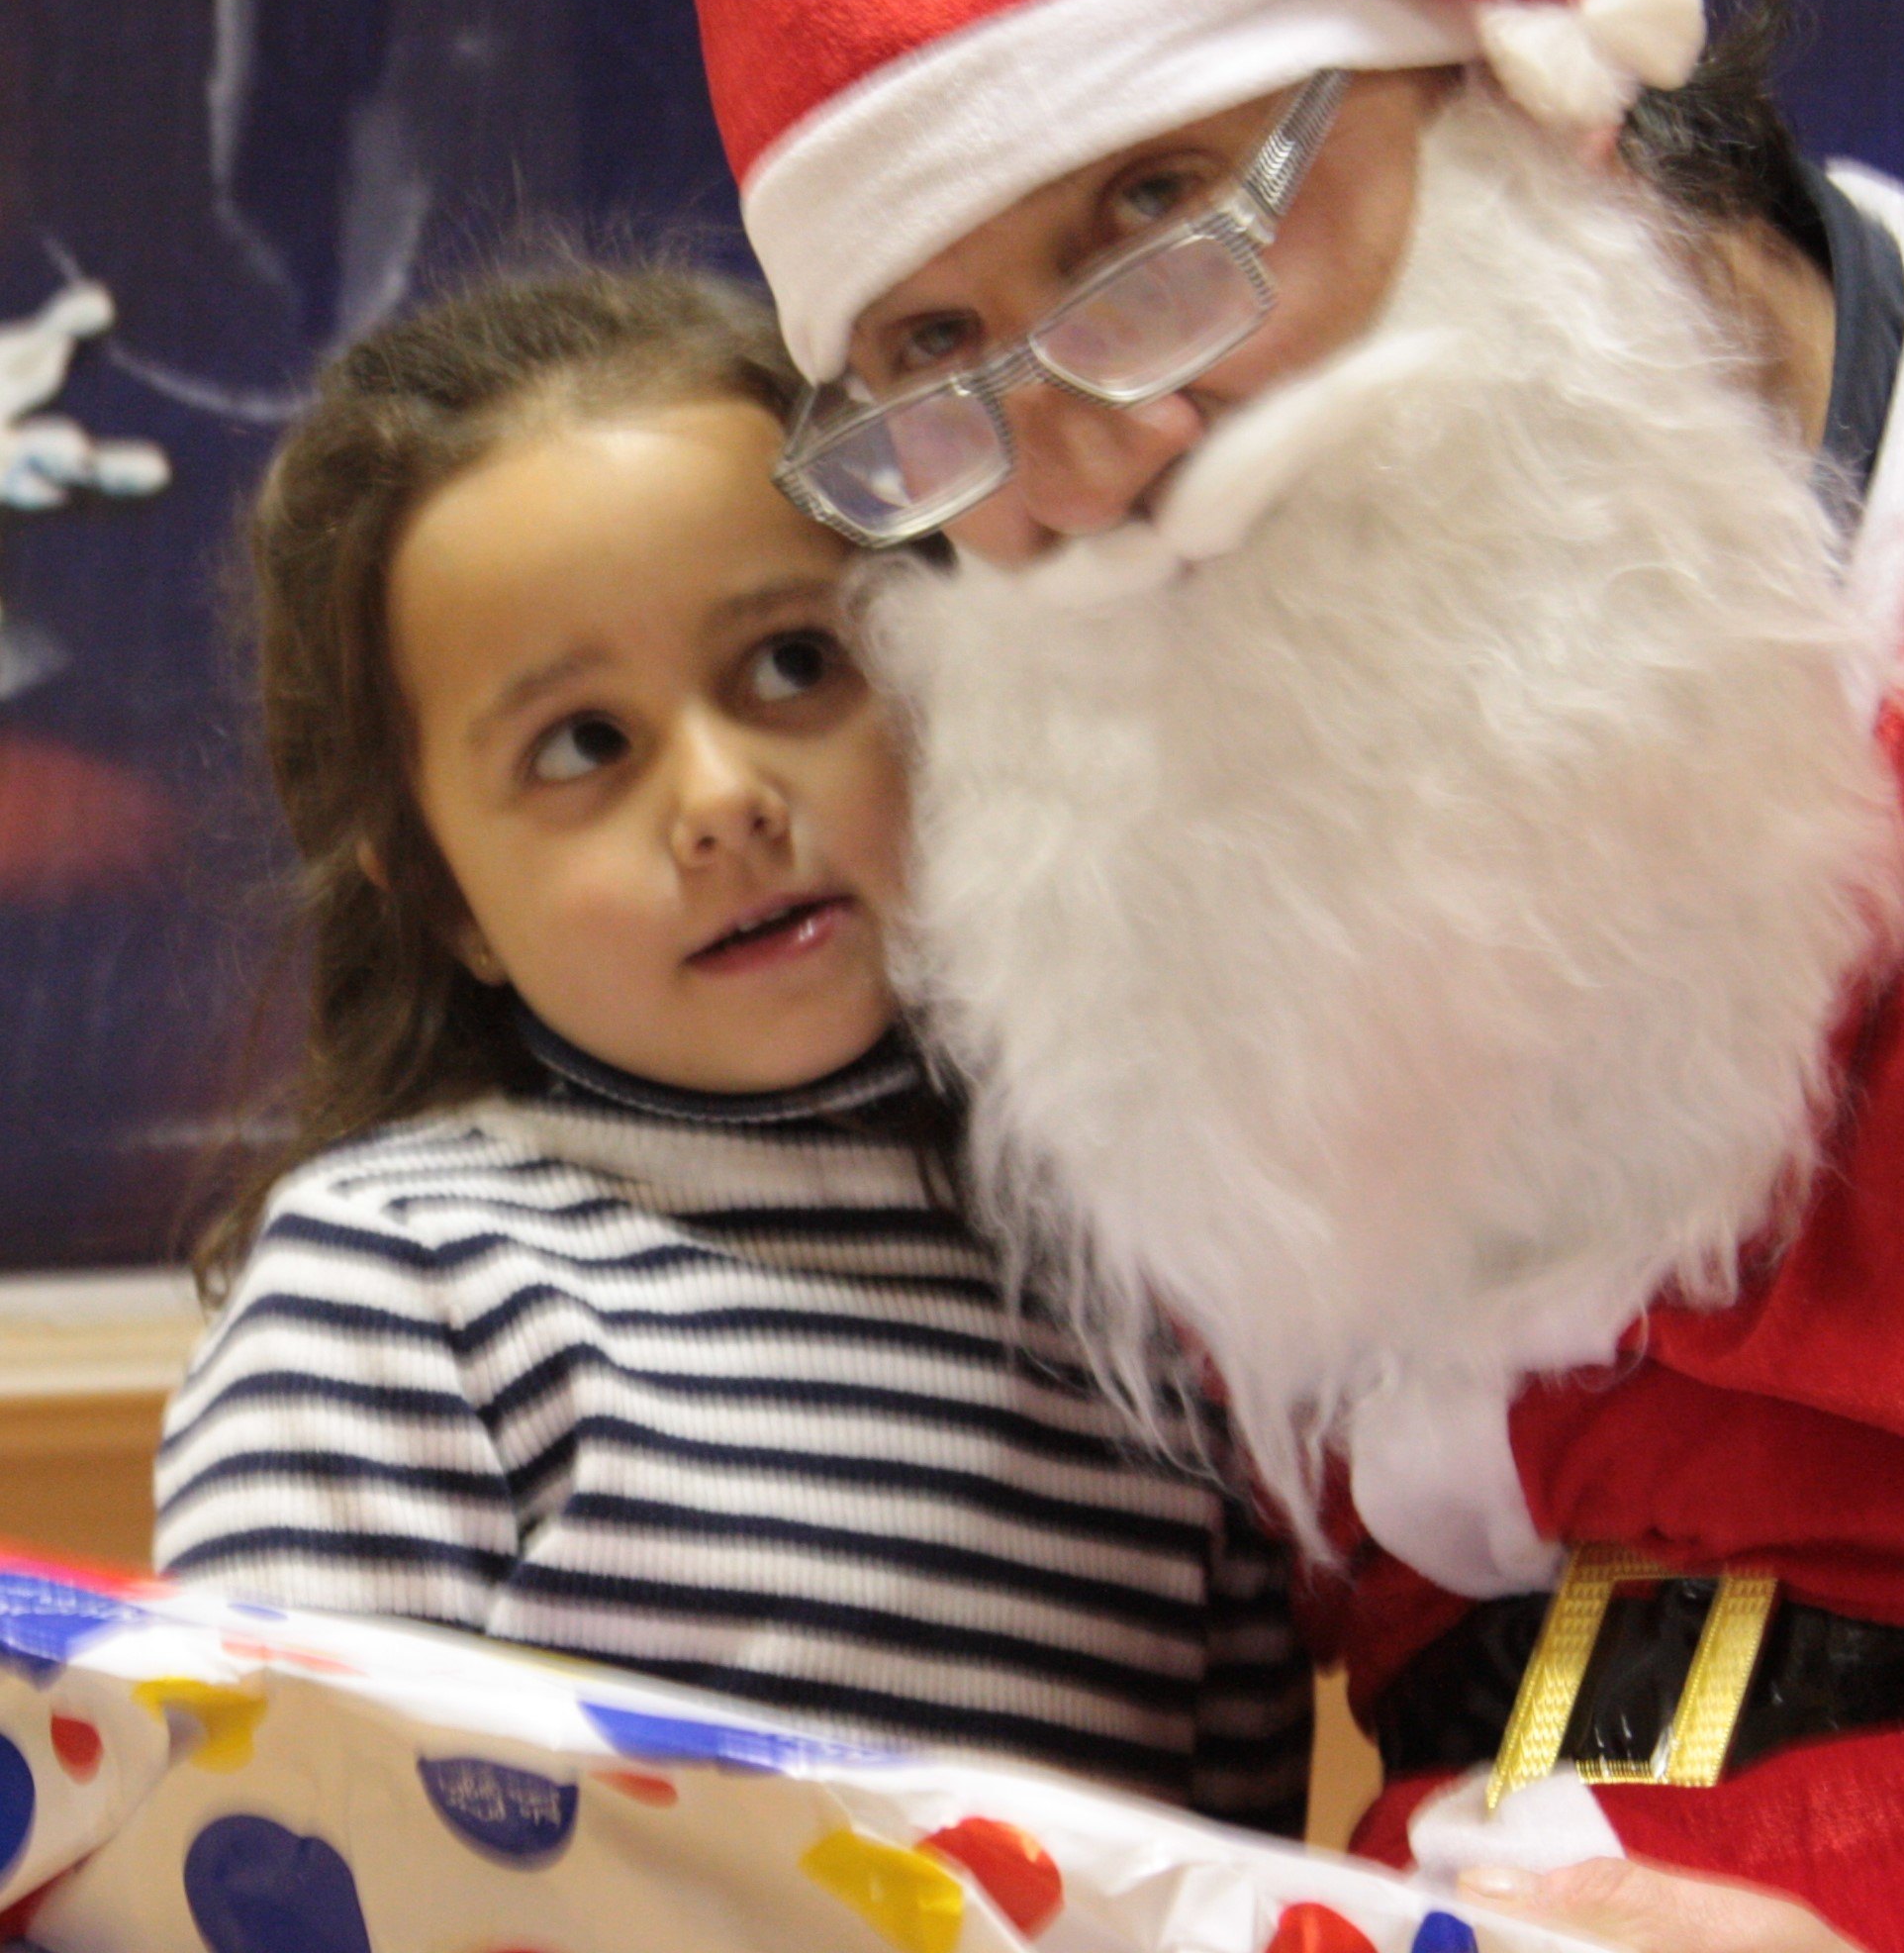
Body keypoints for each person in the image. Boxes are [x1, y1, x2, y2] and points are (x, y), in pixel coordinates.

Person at [673, 0, 1904, 1952]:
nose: (1094, 460)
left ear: (1529, 97)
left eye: (1155, 215)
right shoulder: (1084, 834)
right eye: (932, 358)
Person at [155, 259, 1311, 1830]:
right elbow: (278, 1859)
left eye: (793, 664)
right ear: (443, 901)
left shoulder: (1143, 1311)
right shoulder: (396, 1287)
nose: (720, 799)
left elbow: (1227, 1894)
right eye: (583, 745)